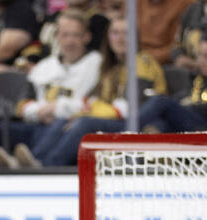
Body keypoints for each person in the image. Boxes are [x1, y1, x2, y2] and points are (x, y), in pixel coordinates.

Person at [12, 15, 167, 167]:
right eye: (115, 33)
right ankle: (35, 162)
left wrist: (82, 113)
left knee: (83, 123)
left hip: (139, 122)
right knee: (63, 122)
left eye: (126, 33)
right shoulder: (110, 66)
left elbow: (129, 108)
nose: (119, 38)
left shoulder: (141, 64)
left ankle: (48, 166)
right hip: (114, 119)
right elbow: (96, 101)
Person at [0, 11, 102, 168]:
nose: (70, 41)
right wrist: (39, 112)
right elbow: (22, 105)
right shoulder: (44, 66)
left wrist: (57, 108)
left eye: (76, 35)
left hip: (68, 127)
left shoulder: (98, 65)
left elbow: (96, 104)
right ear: (56, 37)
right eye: (65, 35)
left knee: (58, 125)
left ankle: (34, 164)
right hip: (38, 123)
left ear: (86, 37)